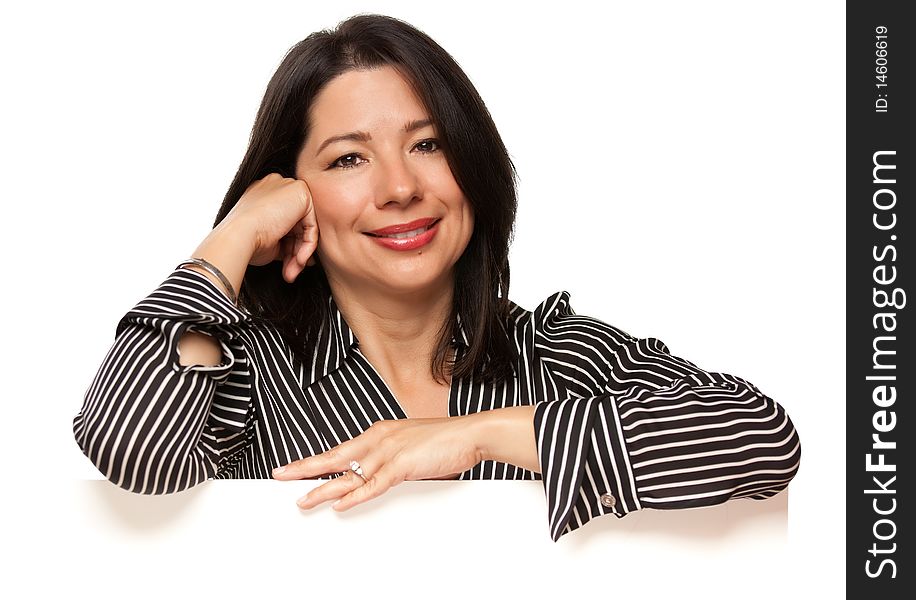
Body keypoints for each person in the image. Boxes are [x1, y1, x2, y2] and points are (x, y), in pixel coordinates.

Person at [72, 13, 801, 542]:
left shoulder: (553, 354)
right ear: (295, 193)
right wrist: (230, 238)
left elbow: (761, 437)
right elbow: (134, 450)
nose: (399, 188)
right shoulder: (251, 374)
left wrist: (475, 436)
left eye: (428, 144)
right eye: (348, 159)